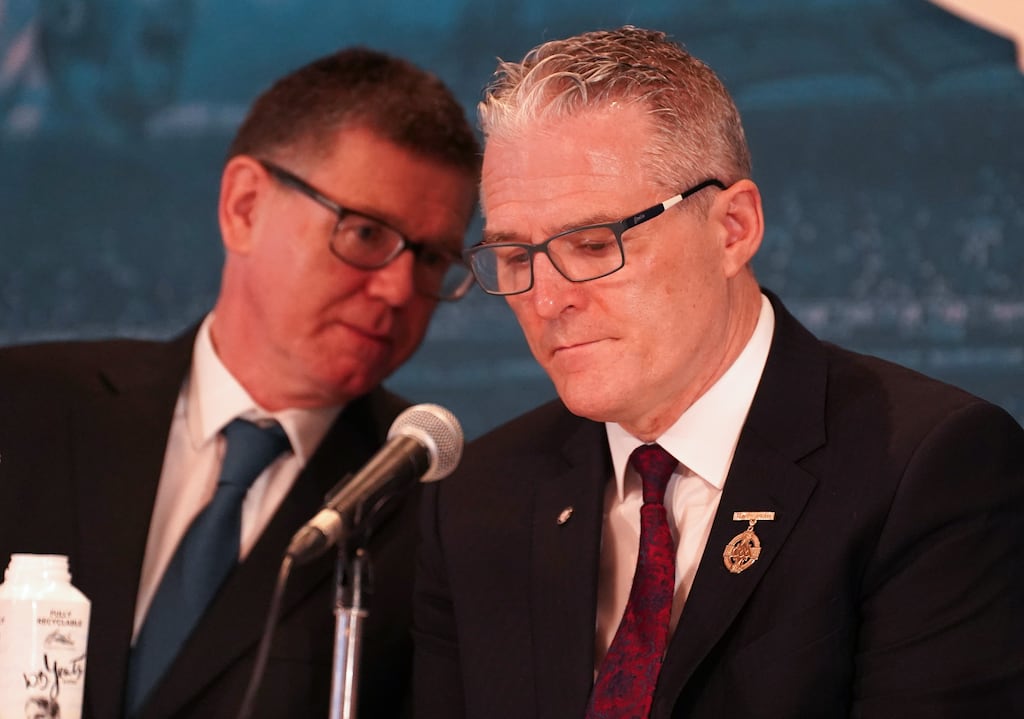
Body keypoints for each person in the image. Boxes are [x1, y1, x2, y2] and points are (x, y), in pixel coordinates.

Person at [413, 25, 1024, 719]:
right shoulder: (475, 498)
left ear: (733, 227)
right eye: (516, 258)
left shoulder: (928, 467)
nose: (547, 299)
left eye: (591, 244)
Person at [0, 46, 480, 718]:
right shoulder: (23, 411)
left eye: (432, 258)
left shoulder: (441, 514)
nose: (400, 288)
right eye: (366, 233)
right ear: (244, 205)